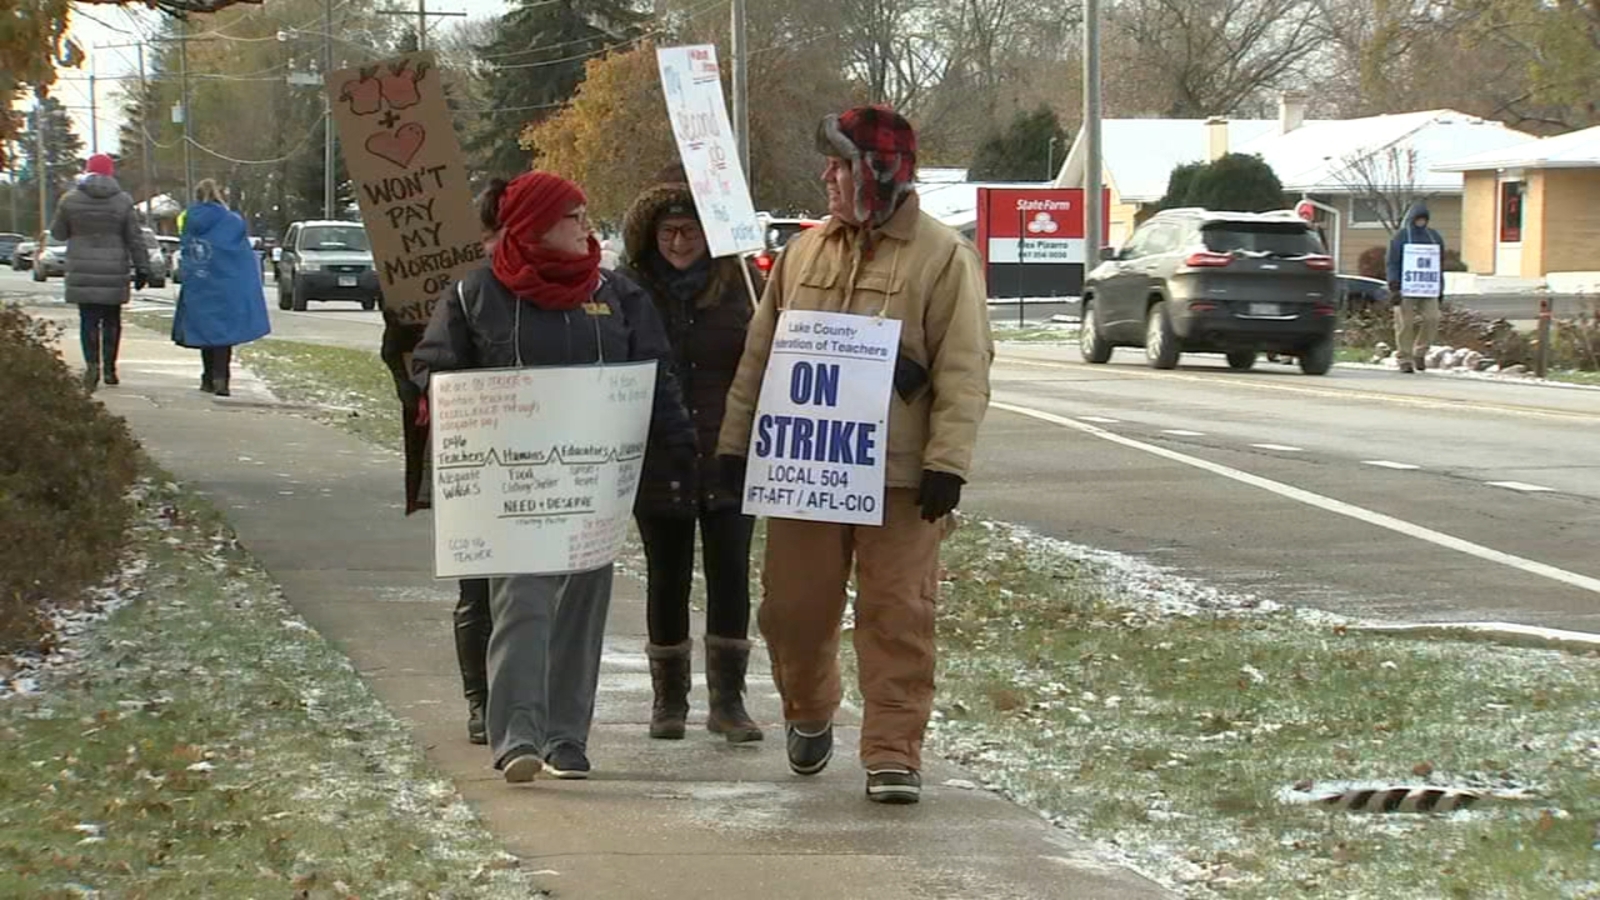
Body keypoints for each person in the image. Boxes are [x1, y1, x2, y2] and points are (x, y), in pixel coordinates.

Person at [717, 106, 993, 805]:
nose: (826, 177)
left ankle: (893, 751)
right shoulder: (802, 254)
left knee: (897, 614)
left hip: (900, 480)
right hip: (805, 471)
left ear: (876, 172)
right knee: (793, 611)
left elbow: (966, 366)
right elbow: (760, 355)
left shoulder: (942, 256)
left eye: (839, 165)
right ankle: (808, 709)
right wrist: (735, 445)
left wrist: (947, 463)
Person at [411, 171, 696, 784]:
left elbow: (653, 372)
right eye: (572, 217)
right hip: (515, 485)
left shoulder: (617, 293)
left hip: (593, 485)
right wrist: (443, 398)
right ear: (536, 223)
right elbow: (434, 365)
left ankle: (568, 737)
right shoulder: (476, 292)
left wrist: (677, 448)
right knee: (522, 599)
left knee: (582, 605)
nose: (585, 227)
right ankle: (517, 736)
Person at [619, 164, 762, 744]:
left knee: (730, 575)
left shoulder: (740, 287)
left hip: (729, 451)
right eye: (668, 233)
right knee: (667, 575)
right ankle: (668, 700)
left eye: (690, 231)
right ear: (650, 237)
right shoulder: (629, 292)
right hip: (659, 456)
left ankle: (729, 701)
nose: (679, 243)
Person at [378, 180, 504, 746]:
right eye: (492, 234)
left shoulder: (554, 292)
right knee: (477, 588)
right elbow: (409, 365)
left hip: (535, 458)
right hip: (468, 455)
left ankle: (518, 696)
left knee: (525, 591)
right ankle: (480, 701)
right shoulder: (462, 293)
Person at [51, 153, 150, 391]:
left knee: (88, 320)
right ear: (110, 173)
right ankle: (110, 369)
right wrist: (143, 267)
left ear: (87, 172)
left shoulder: (70, 200)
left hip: (82, 268)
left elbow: (58, 233)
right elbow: (134, 237)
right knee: (112, 320)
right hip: (113, 268)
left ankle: (92, 364)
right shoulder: (123, 201)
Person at [170, 180, 271, 397]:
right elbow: (241, 253)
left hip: (200, 281)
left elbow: (186, 247)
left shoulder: (189, 218)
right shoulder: (233, 221)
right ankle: (221, 378)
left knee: (204, 330)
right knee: (223, 333)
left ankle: (207, 377)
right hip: (227, 282)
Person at [1385, 203, 1446, 374]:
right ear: (1412, 219)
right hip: (1406, 287)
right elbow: (1392, 262)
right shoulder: (1401, 237)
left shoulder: (1434, 237)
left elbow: (1438, 265)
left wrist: (1440, 287)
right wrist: (1394, 285)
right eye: (1418, 219)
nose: (1421, 222)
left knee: (1432, 318)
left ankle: (1420, 352)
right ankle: (1404, 358)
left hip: (1428, 287)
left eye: (1424, 219)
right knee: (1405, 323)